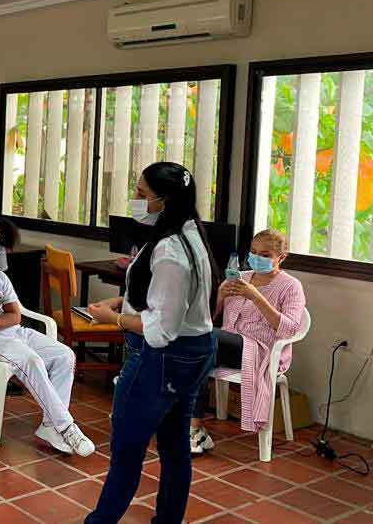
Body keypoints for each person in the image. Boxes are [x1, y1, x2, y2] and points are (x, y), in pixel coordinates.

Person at [85, 162, 216, 524]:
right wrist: (123, 303)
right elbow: (170, 301)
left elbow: (162, 329)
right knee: (174, 445)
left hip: (164, 357)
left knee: (127, 447)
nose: (136, 199)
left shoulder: (172, 250)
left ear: (165, 199)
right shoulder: (185, 233)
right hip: (191, 352)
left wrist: (113, 319)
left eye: (142, 194)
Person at [0, 247, 93, 456]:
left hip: (15, 332)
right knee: (32, 361)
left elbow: (14, 316)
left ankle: (51, 425)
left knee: (65, 355)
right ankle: (67, 428)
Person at [189, 228, 306, 454]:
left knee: (205, 338)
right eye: (253, 252)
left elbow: (290, 329)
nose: (257, 258)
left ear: (281, 258)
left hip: (261, 349)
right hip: (227, 343)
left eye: (265, 255)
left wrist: (256, 297)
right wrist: (221, 296)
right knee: (194, 347)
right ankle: (193, 429)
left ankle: (192, 428)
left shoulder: (291, 286)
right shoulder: (240, 277)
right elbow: (209, 318)